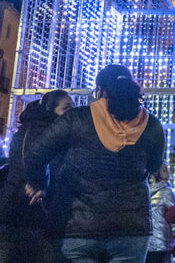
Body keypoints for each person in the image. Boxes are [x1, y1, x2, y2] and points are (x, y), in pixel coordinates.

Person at [23, 66, 165, 262]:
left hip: (79, 227)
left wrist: (38, 184)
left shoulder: (76, 118)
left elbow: (35, 154)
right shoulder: (152, 125)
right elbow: (153, 166)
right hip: (131, 229)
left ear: (100, 90)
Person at [0, 90, 72, 263]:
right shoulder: (49, 135)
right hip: (34, 213)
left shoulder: (25, 130)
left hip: (11, 210)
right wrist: (41, 186)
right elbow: (41, 165)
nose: (71, 115)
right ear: (50, 109)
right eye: (67, 108)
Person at [147, 162, 175, 263]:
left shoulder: (144, 191)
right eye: (164, 169)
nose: (168, 171)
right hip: (161, 241)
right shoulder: (167, 192)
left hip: (145, 242)